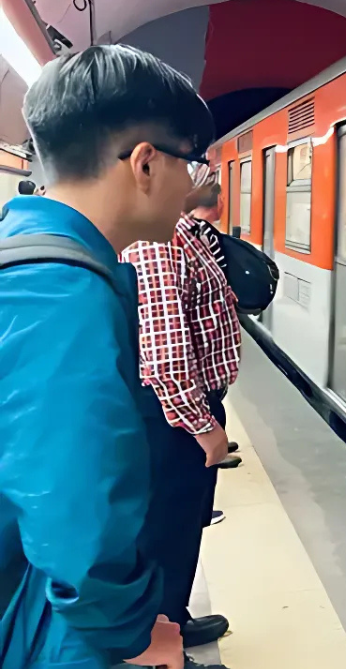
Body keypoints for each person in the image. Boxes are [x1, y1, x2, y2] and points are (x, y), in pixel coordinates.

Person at [0, 44, 212, 669]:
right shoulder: (61, 292)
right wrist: (130, 638)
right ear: (146, 164)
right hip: (42, 619)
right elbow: (75, 515)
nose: (194, 183)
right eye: (190, 162)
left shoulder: (27, 254)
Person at [123, 165, 242, 657]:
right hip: (173, 415)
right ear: (150, 164)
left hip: (186, 407)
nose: (206, 169)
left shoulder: (184, 229)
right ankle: (159, 647)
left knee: (182, 525)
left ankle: (173, 616)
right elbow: (165, 350)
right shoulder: (157, 240)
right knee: (167, 530)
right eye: (193, 159)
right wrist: (203, 425)